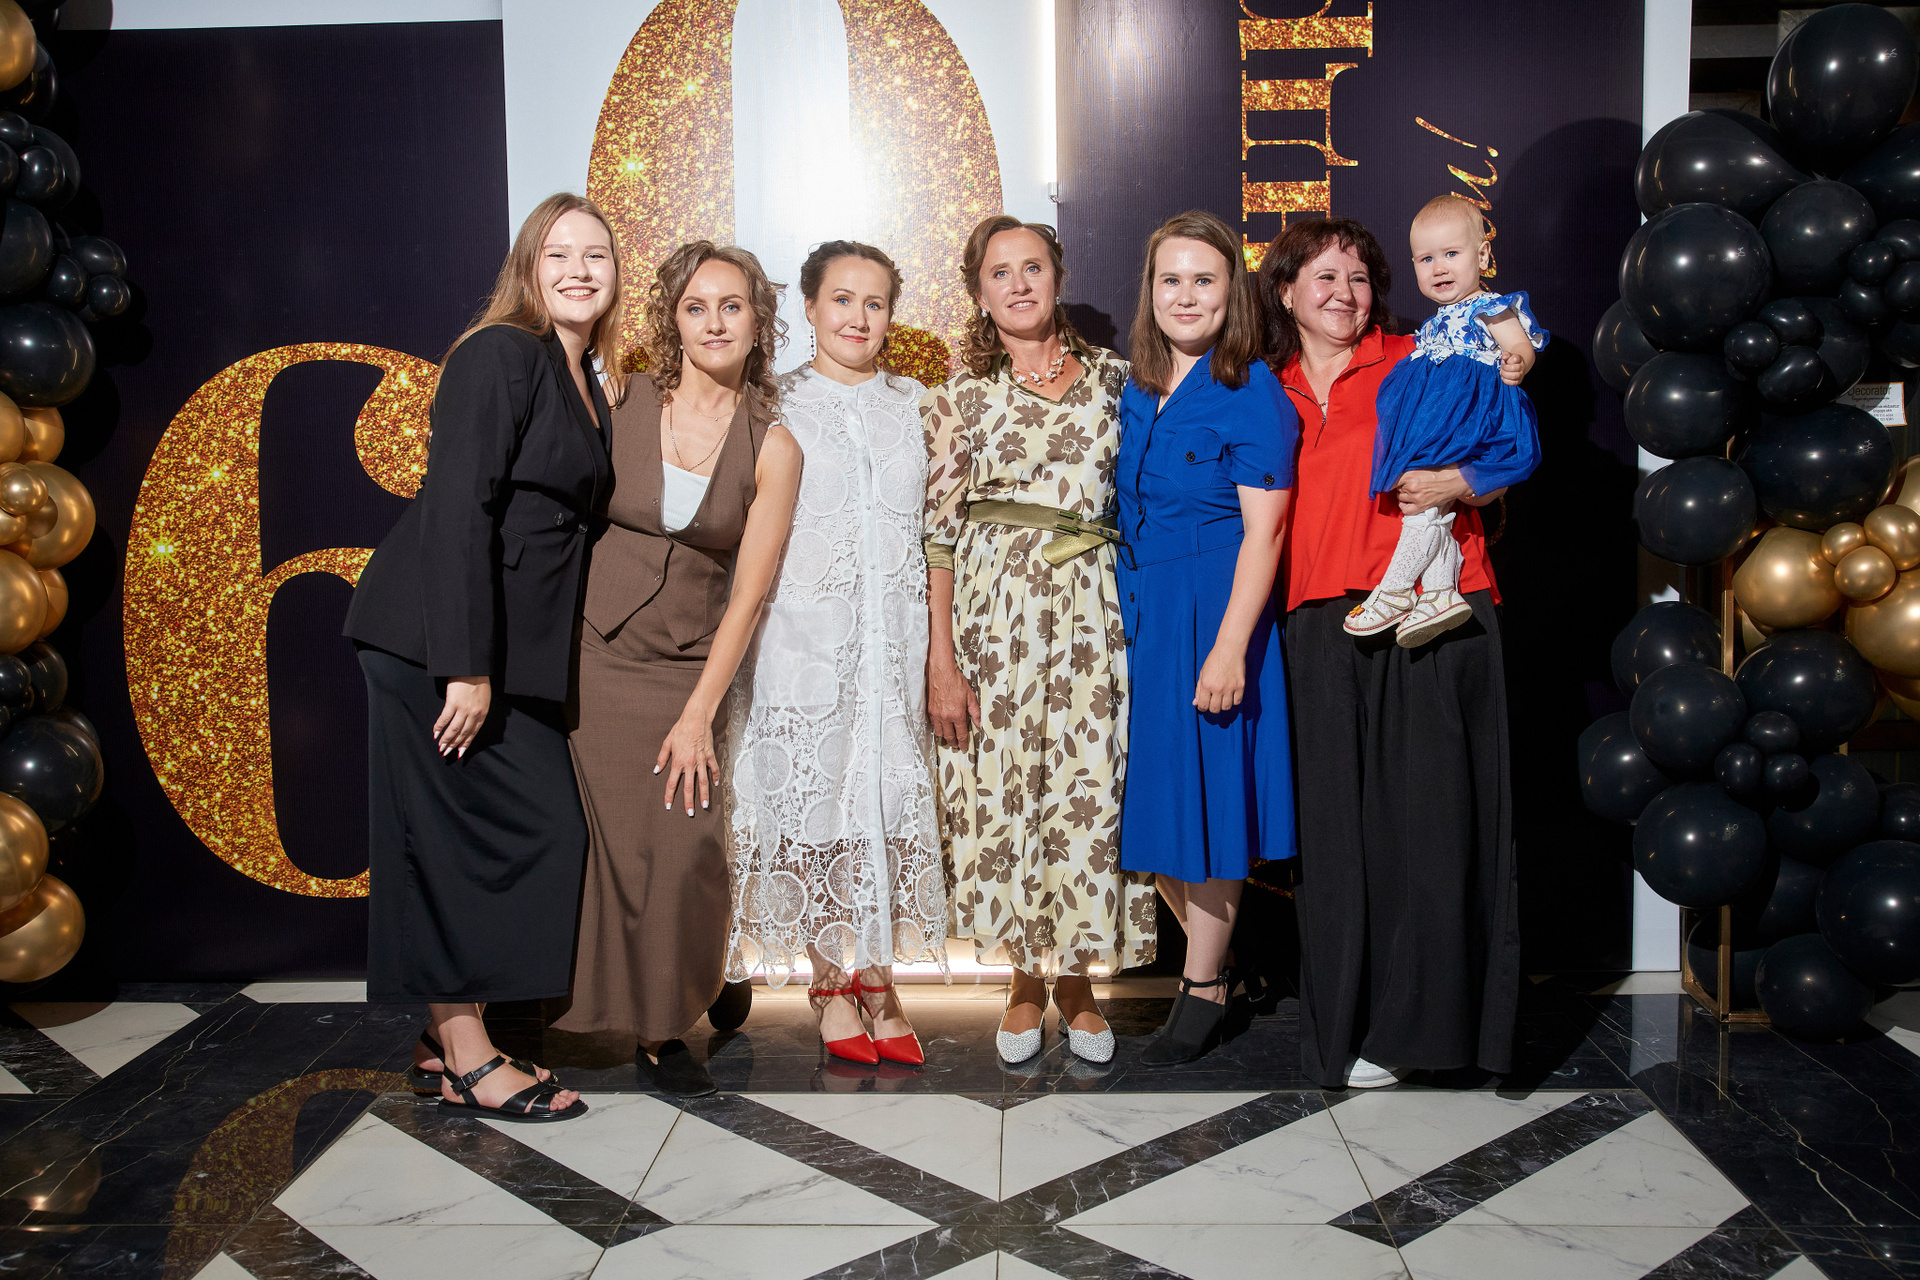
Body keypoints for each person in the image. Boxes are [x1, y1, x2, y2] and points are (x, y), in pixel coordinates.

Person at [343, 192, 626, 1123]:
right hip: (436, 645)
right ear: (527, 269)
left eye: (596, 255)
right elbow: (459, 507)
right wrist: (464, 667)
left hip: (507, 653)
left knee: (545, 831)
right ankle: (467, 1058)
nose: (579, 270)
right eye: (558, 254)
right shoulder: (501, 352)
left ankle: (442, 1042)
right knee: (443, 842)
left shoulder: (584, 377)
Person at [1257, 216, 1524, 1090]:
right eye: (1325, 277)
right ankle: (1346, 1026)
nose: (1345, 294)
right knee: (1336, 839)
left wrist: (1464, 481)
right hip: (1316, 621)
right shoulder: (1265, 389)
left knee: (1433, 829)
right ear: (1286, 291)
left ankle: (1425, 1037)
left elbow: (1515, 438)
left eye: (1361, 278)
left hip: (1432, 614)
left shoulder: (1425, 354)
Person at [554, 241, 802, 1098]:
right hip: (589, 656)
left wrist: (699, 713)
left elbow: (749, 598)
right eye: (696, 307)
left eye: (732, 306)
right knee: (600, 844)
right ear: (673, 320)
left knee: (682, 841)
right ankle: (599, 1009)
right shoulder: (621, 398)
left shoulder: (774, 445)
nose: (714, 323)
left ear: (758, 321)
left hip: (685, 669)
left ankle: (668, 1019)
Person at [923, 215, 1154, 1068]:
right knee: (1006, 788)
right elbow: (938, 535)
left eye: (1032, 268)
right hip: (993, 618)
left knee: (1089, 788)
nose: (1018, 284)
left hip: (1094, 610)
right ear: (979, 293)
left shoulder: (1118, 380)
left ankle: (1081, 982)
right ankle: (1024, 978)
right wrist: (941, 659)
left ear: (1057, 276)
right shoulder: (958, 396)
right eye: (999, 273)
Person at [725, 240, 944, 1065]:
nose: (858, 317)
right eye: (842, 299)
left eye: (874, 302)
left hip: (894, 648)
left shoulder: (916, 405)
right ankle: (827, 983)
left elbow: (938, 530)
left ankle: (880, 981)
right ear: (811, 307)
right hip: (799, 643)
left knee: (883, 812)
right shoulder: (771, 402)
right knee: (813, 816)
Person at [1114, 211, 1297, 1067]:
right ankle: (1234, 960)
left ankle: (1203, 986)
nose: (1186, 296)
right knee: (1157, 810)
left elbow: (1267, 534)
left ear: (1234, 293)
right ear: (1150, 293)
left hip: (1214, 610)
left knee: (1211, 808)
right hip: (1144, 613)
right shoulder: (1136, 389)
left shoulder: (1252, 391)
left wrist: (1229, 648)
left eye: (1204, 280)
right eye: (1171, 280)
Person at [1343, 195, 1545, 645]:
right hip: (1437, 417)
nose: (1439, 268)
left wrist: (1517, 362)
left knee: (1424, 504)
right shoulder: (1435, 323)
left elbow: (1518, 344)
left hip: (1468, 414)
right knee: (1427, 502)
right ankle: (1439, 592)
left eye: (1451, 254)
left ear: (1483, 256)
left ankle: (1396, 589)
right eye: (1426, 259)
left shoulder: (1488, 307)